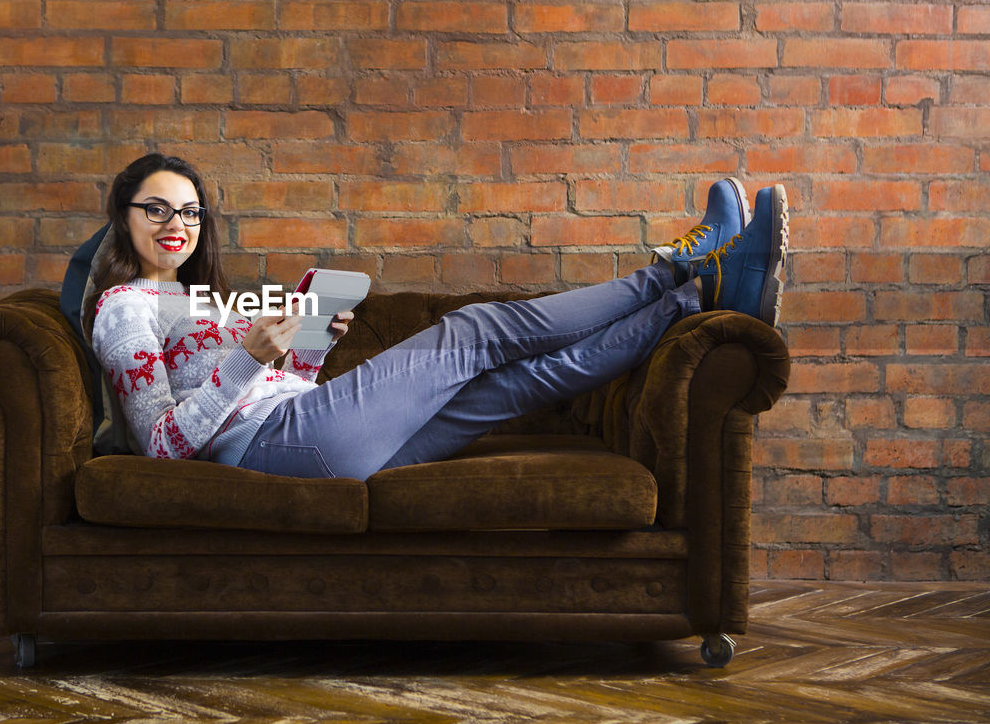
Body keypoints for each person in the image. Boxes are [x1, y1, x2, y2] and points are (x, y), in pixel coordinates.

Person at [87, 154, 788, 481]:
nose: (175, 223)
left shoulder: (199, 299)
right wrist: (248, 357)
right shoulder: (124, 310)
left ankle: (699, 298)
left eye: (187, 210)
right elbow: (162, 447)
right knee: (474, 331)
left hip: (307, 431)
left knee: (521, 385)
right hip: (277, 448)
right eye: (156, 208)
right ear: (123, 218)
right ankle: (677, 267)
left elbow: (264, 389)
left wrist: (303, 348)